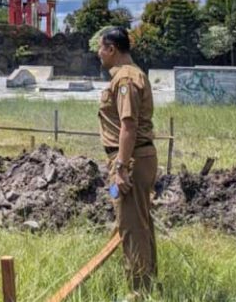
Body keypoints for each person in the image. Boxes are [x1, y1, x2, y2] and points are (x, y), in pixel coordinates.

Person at [97, 27, 158, 300]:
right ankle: (150, 282)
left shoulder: (125, 79)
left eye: (101, 48)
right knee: (136, 221)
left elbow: (128, 126)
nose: (98, 54)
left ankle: (138, 291)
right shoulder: (130, 75)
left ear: (111, 49)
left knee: (133, 227)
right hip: (131, 159)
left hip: (130, 161)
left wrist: (120, 168)